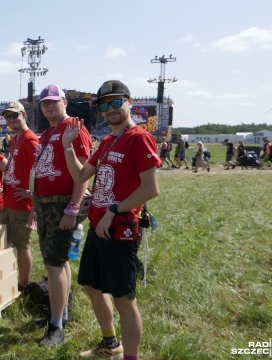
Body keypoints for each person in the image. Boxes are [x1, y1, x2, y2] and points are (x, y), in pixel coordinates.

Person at [62, 80, 160, 359]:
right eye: (105, 105)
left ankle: (131, 356)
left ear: (129, 102)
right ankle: (110, 344)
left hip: (120, 227)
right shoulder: (107, 141)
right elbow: (81, 176)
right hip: (99, 225)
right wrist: (68, 147)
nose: (111, 109)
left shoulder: (139, 138)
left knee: (124, 298)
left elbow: (150, 189)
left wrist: (113, 211)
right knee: (92, 286)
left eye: (116, 102)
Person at [30, 84, 92, 347]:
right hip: (44, 204)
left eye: (54, 102)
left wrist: (73, 208)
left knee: (54, 265)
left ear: (64, 102)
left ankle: (56, 326)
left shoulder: (73, 129)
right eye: (45, 103)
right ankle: (60, 313)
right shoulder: (47, 133)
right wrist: (35, 204)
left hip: (61, 205)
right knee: (57, 261)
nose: (49, 106)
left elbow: (83, 172)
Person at [0, 101, 39, 290]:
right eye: (8, 117)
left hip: (22, 203)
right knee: (7, 242)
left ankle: (23, 285)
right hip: (9, 199)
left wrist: (32, 192)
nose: (12, 120)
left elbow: (39, 168)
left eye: (15, 115)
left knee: (22, 245)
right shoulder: (15, 138)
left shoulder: (30, 139)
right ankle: (9, 277)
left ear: (24, 115)